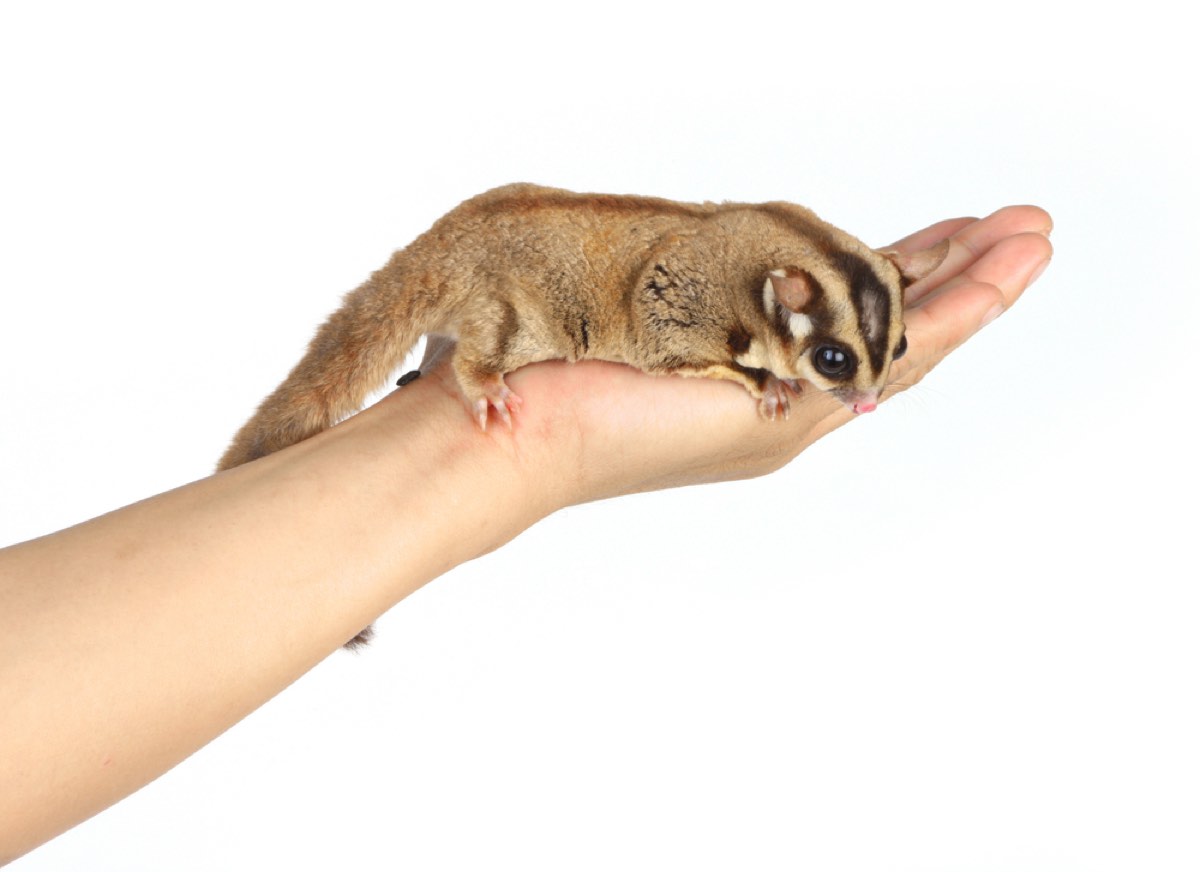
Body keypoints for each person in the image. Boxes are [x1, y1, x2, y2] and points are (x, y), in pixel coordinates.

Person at [0, 207, 1052, 862]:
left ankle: (310, 459)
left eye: (870, 371)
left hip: (536, 254)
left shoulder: (772, 277)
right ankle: (459, 374)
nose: (858, 398)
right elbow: (660, 326)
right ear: (787, 305)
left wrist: (530, 450)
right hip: (518, 273)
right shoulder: (726, 292)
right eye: (834, 369)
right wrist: (728, 375)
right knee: (539, 313)